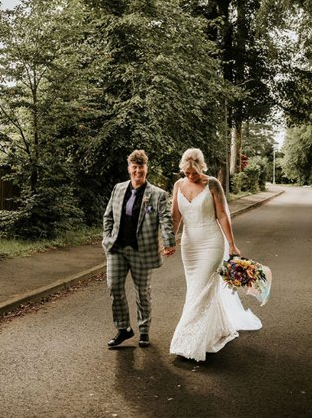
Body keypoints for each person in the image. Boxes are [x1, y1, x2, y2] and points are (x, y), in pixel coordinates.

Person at [169, 148, 261, 361]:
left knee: (202, 289)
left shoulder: (212, 184)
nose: (190, 176)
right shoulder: (178, 185)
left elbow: (221, 214)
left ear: (202, 167)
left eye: (194, 172)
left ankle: (188, 339)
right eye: (186, 172)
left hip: (211, 243)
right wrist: (169, 241)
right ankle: (216, 329)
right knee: (196, 290)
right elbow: (175, 217)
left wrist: (231, 244)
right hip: (189, 246)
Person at [102, 150, 176, 348]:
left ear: (146, 169)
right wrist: (107, 238)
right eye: (134, 167)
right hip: (117, 248)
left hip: (141, 251)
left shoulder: (158, 195)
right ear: (129, 169)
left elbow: (165, 219)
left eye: (141, 167)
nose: (137, 171)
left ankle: (144, 330)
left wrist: (169, 242)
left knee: (142, 291)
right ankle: (123, 329)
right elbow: (108, 216)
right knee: (114, 287)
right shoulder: (118, 189)